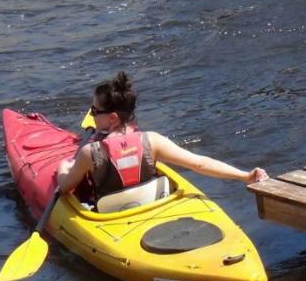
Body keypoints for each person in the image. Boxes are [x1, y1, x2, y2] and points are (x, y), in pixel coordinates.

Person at [56, 72, 268, 203]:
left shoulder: (89, 153)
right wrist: (245, 176)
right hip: (152, 206)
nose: (91, 115)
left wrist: (62, 169)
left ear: (112, 118)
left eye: (94, 111)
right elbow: (200, 164)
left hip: (111, 216)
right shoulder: (152, 141)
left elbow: (65, 187)